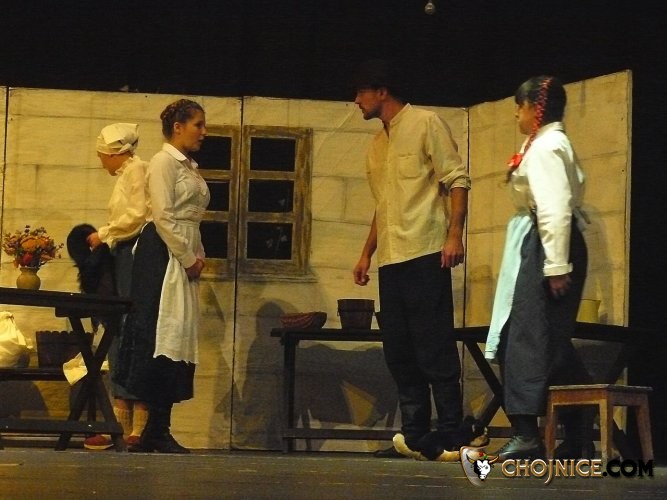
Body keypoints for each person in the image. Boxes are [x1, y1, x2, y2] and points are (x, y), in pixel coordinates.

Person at [351, 59, 472, 461]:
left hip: (425, 251)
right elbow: (383, 205)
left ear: (381, 91)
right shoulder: (376, 145)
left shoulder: (425, 123)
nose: (356, 101)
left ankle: (452, 432)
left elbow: (457, 179)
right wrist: (366, 253)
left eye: (361, 92)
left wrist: (454, 234)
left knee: (434, 346)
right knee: (400, 351)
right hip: (392, 258)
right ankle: (415, 435)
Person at [485, 76, 593, 461]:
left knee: (525, 337)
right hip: (544, 242)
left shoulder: (548, 147)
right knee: (547, 339)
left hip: (550, 245)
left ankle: (527, 433)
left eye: (520, 105)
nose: (516, 113)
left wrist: (556, 264)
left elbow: (554, 207)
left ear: (535, 108)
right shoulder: (543, 143)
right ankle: (579, 429)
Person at [114, 99, 209, 454]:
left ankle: (158, 428)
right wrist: (187, 257)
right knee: (158, 333)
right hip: (162, 254)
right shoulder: (162, 162)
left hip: (182, 251)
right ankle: (152, 430)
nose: (203, 132)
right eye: (198, 124)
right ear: (178, 127)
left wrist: (198, 254)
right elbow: (164, 216)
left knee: (175, 335)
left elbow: (191, 218)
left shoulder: (189, 166)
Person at [83, 123, 149, 450]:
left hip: (134, 255)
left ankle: (137, 429)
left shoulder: (137, 170)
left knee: (131, 329)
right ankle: (118, 427)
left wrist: (104, 234)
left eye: (102, 156)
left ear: (114, 153)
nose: (101, 163)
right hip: (122, 253)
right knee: (118, 331)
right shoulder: (127, 174)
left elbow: (136, 216)